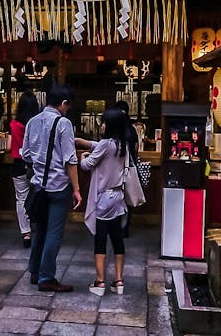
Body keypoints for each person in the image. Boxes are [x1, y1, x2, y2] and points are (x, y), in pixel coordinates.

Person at [22, 85, 82, 293]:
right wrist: (76, 188)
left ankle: (35, 271)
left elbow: (26, 154)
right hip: (58, 187)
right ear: (64, 103)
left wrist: (40, 167)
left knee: (40, 230)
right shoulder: (63, 123)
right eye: (68, 106)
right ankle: (47, 277)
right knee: (54, 233)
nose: (68, 110)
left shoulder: (32, 121)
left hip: (38, 186)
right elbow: (70, 160)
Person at [76, 107, 128, 296]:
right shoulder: (122, 144)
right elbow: (100, 146)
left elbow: (87, 165)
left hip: (103, 198)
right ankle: (119, 280)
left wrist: (82, 156)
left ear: (110, 125)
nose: (102, 124)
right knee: (117, 238)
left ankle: (100, 282)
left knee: (101, 238)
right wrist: (85, 143)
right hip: (118, 197)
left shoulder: (106, 144)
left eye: (104, 121)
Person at [8, 91, 40, 248]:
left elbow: (9, 146)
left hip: (18, 165)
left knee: (21, 198)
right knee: (40, 195)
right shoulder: (38, 124)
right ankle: (39, 225)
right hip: (36, 165)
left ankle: (26, 232)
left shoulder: (14, 125)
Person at [115, 100, 139, 237]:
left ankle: (115, 226)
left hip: (115, 169)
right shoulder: (131, 128)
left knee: (116, 198)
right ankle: (124, 228)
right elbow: (136, 148)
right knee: (127, 199)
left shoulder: (113, 128)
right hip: (130, 169)